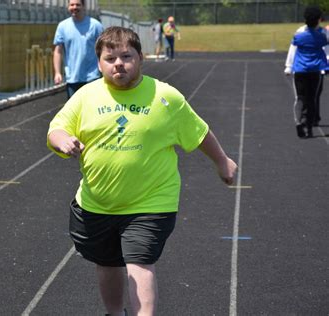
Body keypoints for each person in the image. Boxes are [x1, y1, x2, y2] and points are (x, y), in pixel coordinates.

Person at [47, 26, 237, 316]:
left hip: (151, 202)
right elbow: (56, 129)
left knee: (139, 261)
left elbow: (199, 133)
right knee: (107, 262)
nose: (119, 63)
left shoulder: (165, 97)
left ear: (141, 58)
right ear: (99, 63)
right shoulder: (86, 96)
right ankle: (115, 313)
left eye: (126, 56)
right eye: (110, 58)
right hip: (97, 203)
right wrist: (62, 140)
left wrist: (222, 161)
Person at [284, 6, 327, 138]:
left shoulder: (299, 35)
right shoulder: (322, 36)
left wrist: (289, 66)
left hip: (300, 70)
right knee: (312, 99)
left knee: (300, 98)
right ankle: (309, 126)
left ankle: (299, 122)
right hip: (315, 70)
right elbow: (326, 49)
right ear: (319, 19)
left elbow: (293, 50)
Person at [53, 0, 104, 99]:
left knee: (92, 110)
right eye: (72, 5)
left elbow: (104, 49)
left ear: (84, 6)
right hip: (72, 78)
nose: (74, 7)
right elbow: (58, 51)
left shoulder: (95, 25)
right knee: (75, 112)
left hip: (92, 77)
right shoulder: (62, 26)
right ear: (68, 7)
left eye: (78, 5)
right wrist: (57, 72)